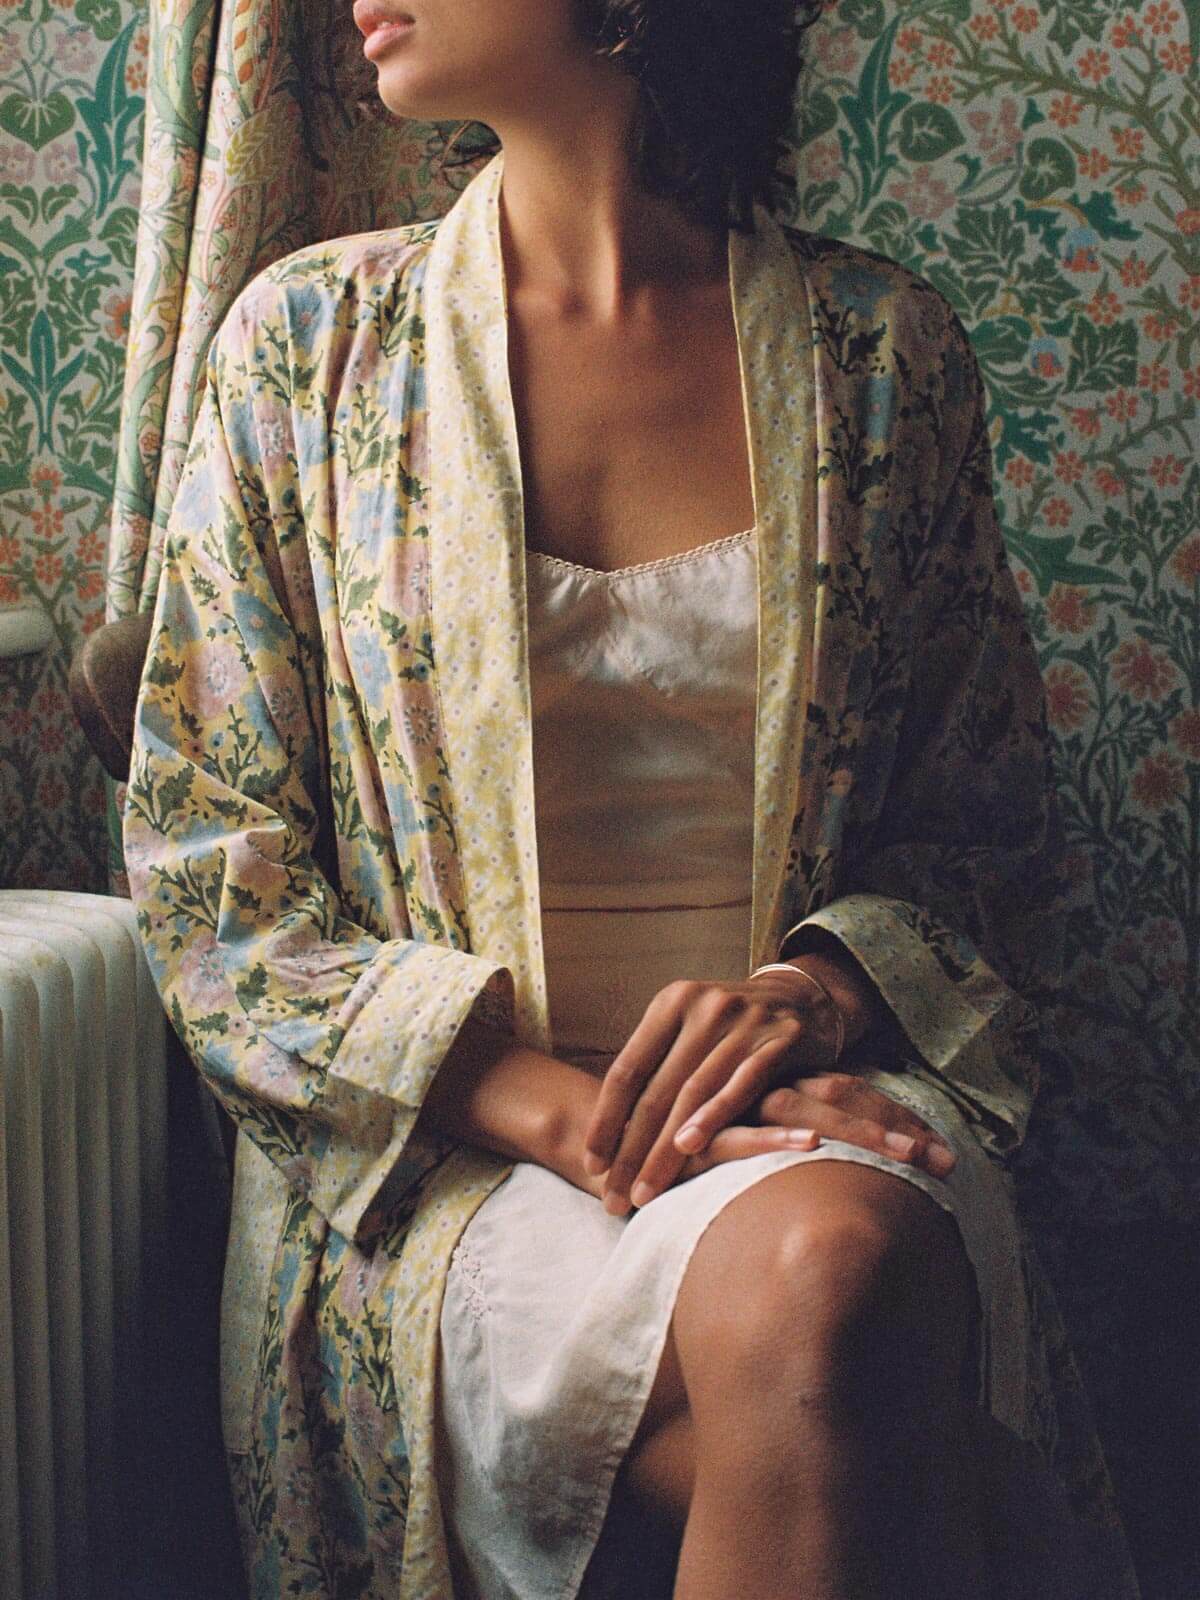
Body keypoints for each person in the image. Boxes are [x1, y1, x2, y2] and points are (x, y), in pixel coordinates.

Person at [124, 1, 1140, 1596]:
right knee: (865, 1399)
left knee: (830, 1264)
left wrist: (817, 995)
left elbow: (993, 843)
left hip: (811, 1125)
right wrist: (569, 1111)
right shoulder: (306, 348)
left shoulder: (881, 358)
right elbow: (207, 870)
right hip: (454, 1170)